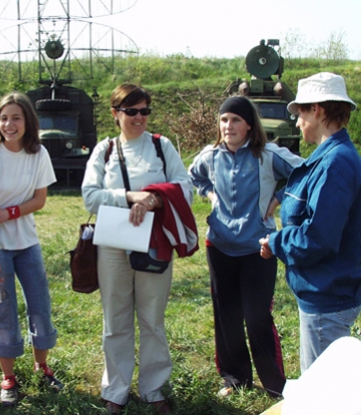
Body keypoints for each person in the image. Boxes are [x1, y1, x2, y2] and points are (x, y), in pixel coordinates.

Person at [82, 84, 195, 415]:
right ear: (115, 114)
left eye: (145, 110)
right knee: (115, 319)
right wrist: (130, 197)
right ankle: (115, 390)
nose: (139, 117)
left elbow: (185, 187)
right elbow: (89, 196)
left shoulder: (161, 146)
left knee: (152, 318)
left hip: (154, 242)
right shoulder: (104, 150)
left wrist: (156, 199)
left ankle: (153, 388)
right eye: (131, 111)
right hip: (113, 244)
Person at [189, 96, 303, 397]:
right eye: (224, 120)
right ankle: (235, 379)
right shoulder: (210, 156)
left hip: (258, 248)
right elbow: (193, 177)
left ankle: (275, 385)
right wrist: (210, 195)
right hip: (219, 246)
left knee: (257, 317)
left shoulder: (268, 155)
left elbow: (306, 173)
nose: (228, 126)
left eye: (236, 120)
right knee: (226, 315)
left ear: (250, 124)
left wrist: (277, 200)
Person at [260, 72, 361, 373]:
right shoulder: (334, 157)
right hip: (328, 293)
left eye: (300, 114)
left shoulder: (334, 163)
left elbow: (318, 238)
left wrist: (275, 241)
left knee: (323, 392)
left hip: (326, 298)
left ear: (316, 110)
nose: (297, 123)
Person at [0, 92, 63, 407]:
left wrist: (9, 213)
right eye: (3, 118)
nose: (9, 124)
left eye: (16, 118)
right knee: (4, 311)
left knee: (40, 305)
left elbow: (39, 200)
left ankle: (42, 366)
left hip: (27, 243)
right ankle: (8, 378)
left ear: (28, 122)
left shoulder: (38, 155)